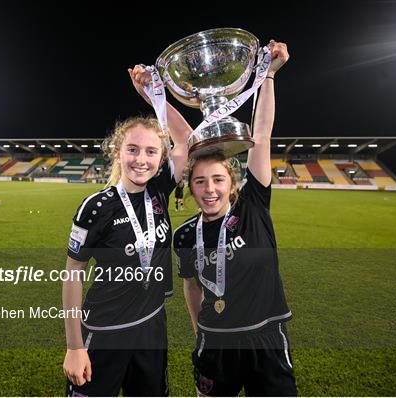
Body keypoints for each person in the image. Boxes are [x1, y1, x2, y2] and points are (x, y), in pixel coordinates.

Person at [174, 41, 296, 396]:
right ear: (191, 188)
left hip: (266, 340)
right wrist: (201, 331)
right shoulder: (185, 235)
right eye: (200, 181)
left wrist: (269, 75)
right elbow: (191, 286)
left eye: (217, 180)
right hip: (215, 343)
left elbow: (262, 135)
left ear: (232, 184)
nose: (209, 189)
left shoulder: (253, 208)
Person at [62, 66, 192, 396]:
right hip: (104, 331)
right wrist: (75, 346)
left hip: (152, 327)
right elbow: (72, 275)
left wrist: (152, 96)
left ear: (160, 157)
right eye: (132, 149)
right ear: (118, 152)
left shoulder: (161, 189)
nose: (141, 160)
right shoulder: (96, 208)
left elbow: (188, 141)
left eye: (151, 151)